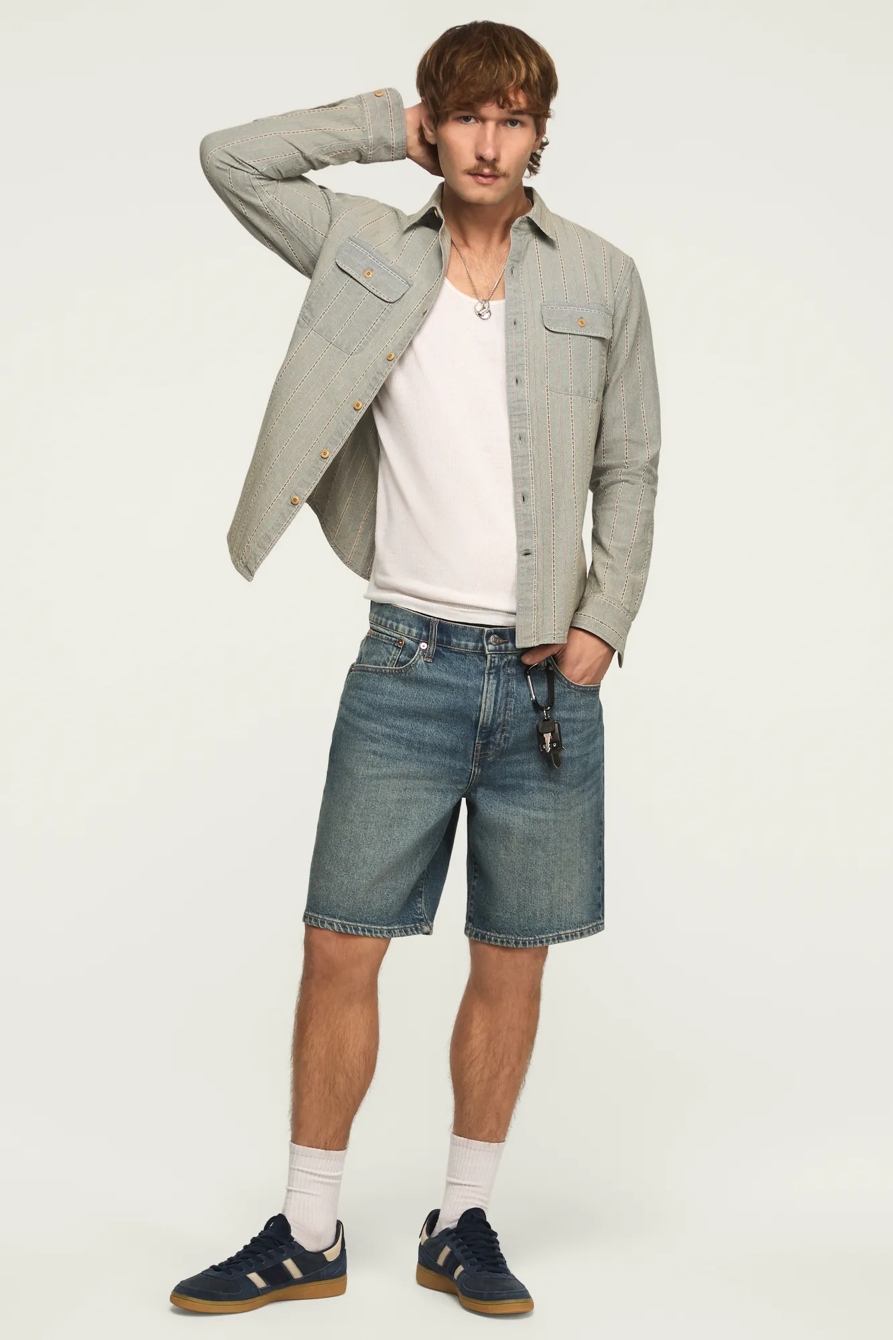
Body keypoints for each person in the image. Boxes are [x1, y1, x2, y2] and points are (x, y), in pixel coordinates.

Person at [171, 19, 661, 1319]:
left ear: (540, 133)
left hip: (548, 678)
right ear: (435, 130)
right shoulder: (361, 246)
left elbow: (630, 465)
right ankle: (307, 1231)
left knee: (512, 955)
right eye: (465, 116)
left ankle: (464, 1221)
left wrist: (604, 622)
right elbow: (231, 158)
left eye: (511, 118)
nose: (487, 143)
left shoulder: (602, 276)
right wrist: (379, 123)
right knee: (340, 946)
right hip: (404, 661)